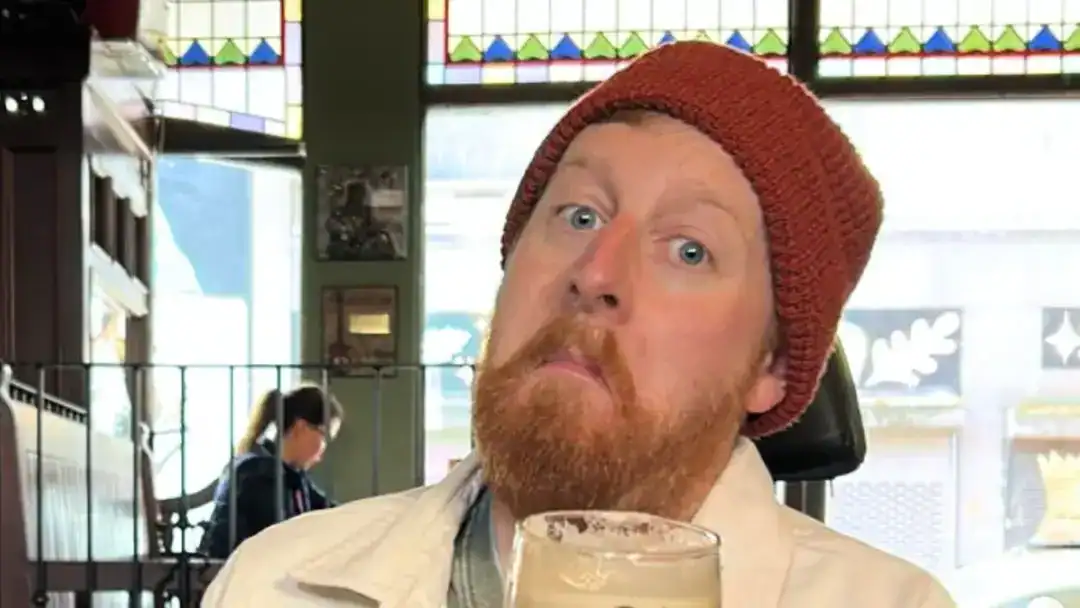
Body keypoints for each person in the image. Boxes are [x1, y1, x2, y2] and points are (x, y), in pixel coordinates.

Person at [203, 42, 955, 607]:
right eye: (579, 215)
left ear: (774, 368)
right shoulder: (273, 584)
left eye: (690, 250)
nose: (596, 273)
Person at [198, 385, 343, 558]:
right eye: (324, 438)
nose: (323, 451)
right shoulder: (257, 474)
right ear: (301, 428)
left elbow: (332, 513)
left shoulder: (291, 476)